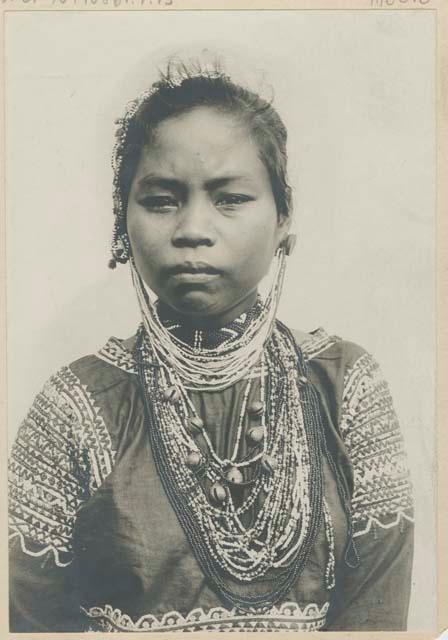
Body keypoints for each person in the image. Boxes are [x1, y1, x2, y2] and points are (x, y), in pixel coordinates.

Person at [8, 53, 414, 633]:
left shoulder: (346, 386)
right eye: (162, 199)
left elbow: (378, 615)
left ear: (283, 218)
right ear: (123, 222)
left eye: (230, 198)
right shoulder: (73, 408)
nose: (193, 229)